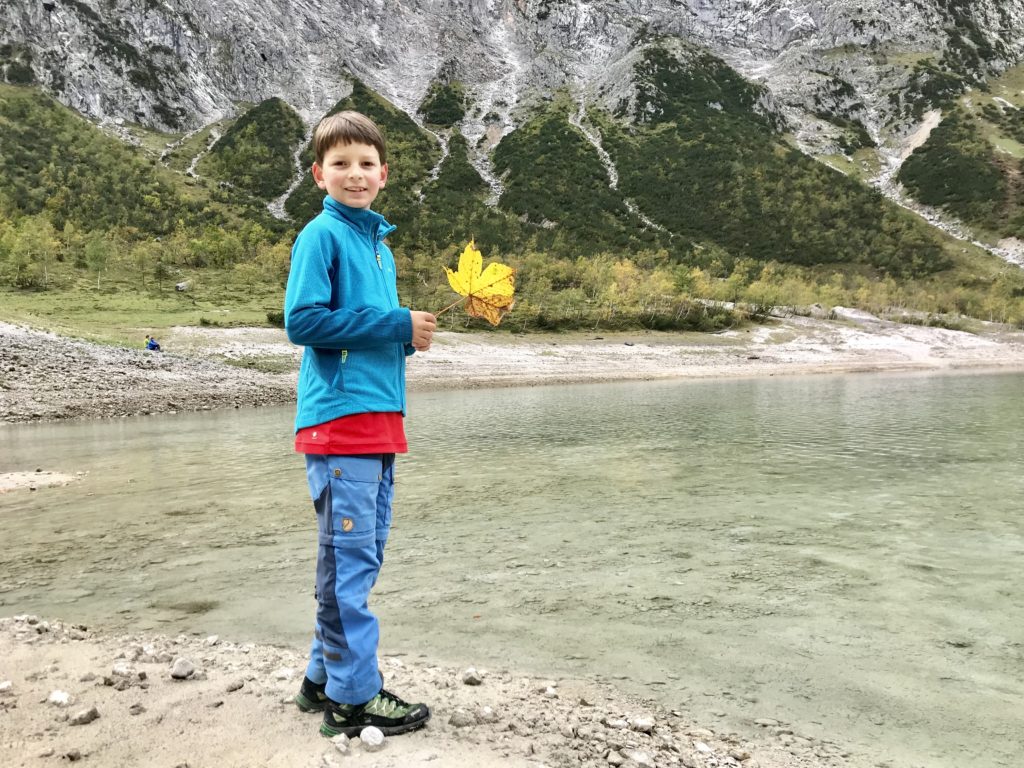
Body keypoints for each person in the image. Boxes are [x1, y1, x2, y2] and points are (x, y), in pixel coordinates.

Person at [284, 111, 436, 739]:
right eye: (340, 164)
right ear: (319, 174)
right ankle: (353, 699)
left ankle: (322, 679)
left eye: (366, 164)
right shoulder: (321, 236)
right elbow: (304, 322)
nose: (355, 174)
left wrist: (402, 340)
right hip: (342, 424)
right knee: (352, 561)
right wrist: (398, 325)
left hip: (376, 424)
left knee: (351, 557)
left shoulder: (379, 245)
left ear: (384, 175)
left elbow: (367, 334)